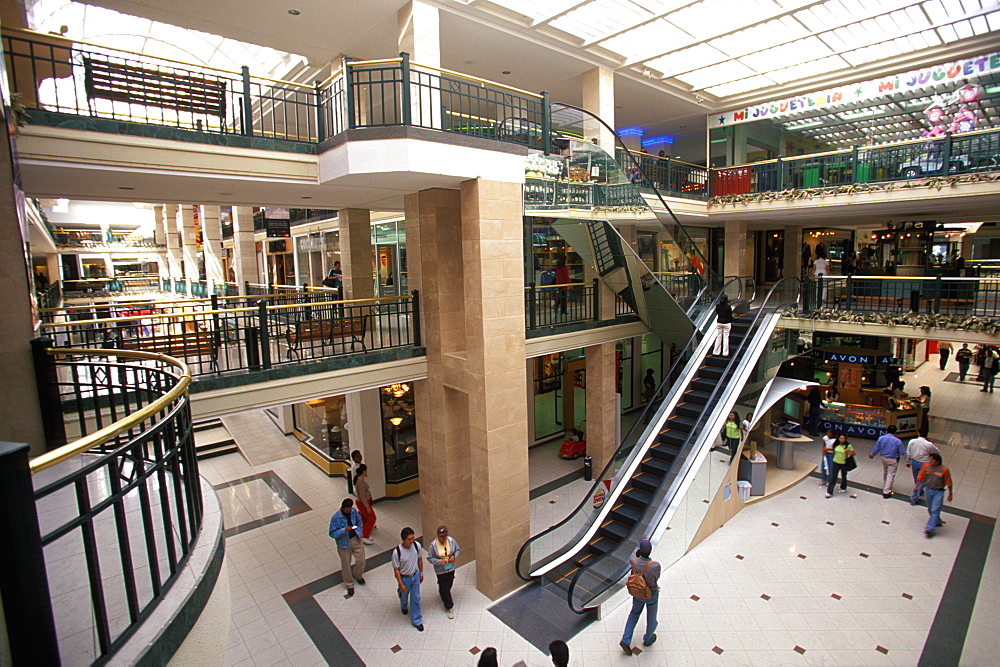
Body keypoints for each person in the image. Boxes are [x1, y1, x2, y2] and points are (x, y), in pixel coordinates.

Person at [620, 538, 660, 655]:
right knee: (651, 616)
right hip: (651, 593)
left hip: (637, 593)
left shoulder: (634, 562)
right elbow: (656, 578)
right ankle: (648, 638)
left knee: (634, 613)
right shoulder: (655, 565)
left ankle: (626, 639)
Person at [328, 498, 366, 597]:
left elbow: (359, 523)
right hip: (343, 543)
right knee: (346, 564)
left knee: (361, 560)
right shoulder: (336, 517)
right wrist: (344, 530)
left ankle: (358, 575)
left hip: (355, 539)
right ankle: (349, 584)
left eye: (350, 509)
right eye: (347, 510)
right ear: (343, 508)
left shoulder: (354, 512)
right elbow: (332, 533)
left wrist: (359, 532)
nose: (349, 511)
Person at [392, 527, 424, 631]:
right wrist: (400, 584)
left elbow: (420, 559)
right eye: (409, 539)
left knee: (416, 598)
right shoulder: (397, 552)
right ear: (403, 540)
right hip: (404, 578)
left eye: (412, 538)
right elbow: (396, 569)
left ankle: (417, 620)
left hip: (414, 576)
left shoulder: (416, 546)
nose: (411, 541)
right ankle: (403, 604)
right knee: (404, 595)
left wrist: (421, 573)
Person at [915, 453, 953, 538]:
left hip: (938, 492)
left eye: (932, 460)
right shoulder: (926, 466)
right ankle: (937, 521)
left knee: (935, 509)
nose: (930, 461)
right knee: (930, 508)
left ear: (937, 461)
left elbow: (949, 483)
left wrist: (950, 494)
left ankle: (929, 528)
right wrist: (918, 487)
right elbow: (920, 477)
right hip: (928, 490)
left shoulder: (944, 470)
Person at [427, 525, 460, 619]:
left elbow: (457, 550)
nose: (443, 538)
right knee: (444, 587)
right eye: (441, 536)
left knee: (449, 583)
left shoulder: (451, 541)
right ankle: (449, 606)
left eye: (445, 536)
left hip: (450, 568)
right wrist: (439, 562)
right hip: (441, 570)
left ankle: (443, 592)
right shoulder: (433, 545)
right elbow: (430, 558)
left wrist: (454, 557)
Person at [869, 425, 906, 498]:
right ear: (895, 432)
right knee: (891, 474)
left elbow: (877, 448)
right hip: (893, 459)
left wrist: (872, 454)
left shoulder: (881, 438)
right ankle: (887, 490)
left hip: (884, 457)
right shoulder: (897, 441)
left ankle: (886, 483)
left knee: (885, 471)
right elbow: (902, 452)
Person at [907, 427, 939, 505]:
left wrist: (908, 461)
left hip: (914, 462)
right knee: (923, 480)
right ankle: (916, 494)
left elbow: (908, 452)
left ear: (918, 433)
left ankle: (918, 490)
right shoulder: (929, 444)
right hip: (925, 464)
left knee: (916, 478)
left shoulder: (912, 441)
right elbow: (936, 452)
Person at [353, 465, 375, 545]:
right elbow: (362, 496)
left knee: (364, 518)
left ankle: (363, 533)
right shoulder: (361, 482)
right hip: (364, 502)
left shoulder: (360, 480)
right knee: (372, 518)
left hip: (361, 502)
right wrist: (367, 507)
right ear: (363, 471)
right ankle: (365, 536)